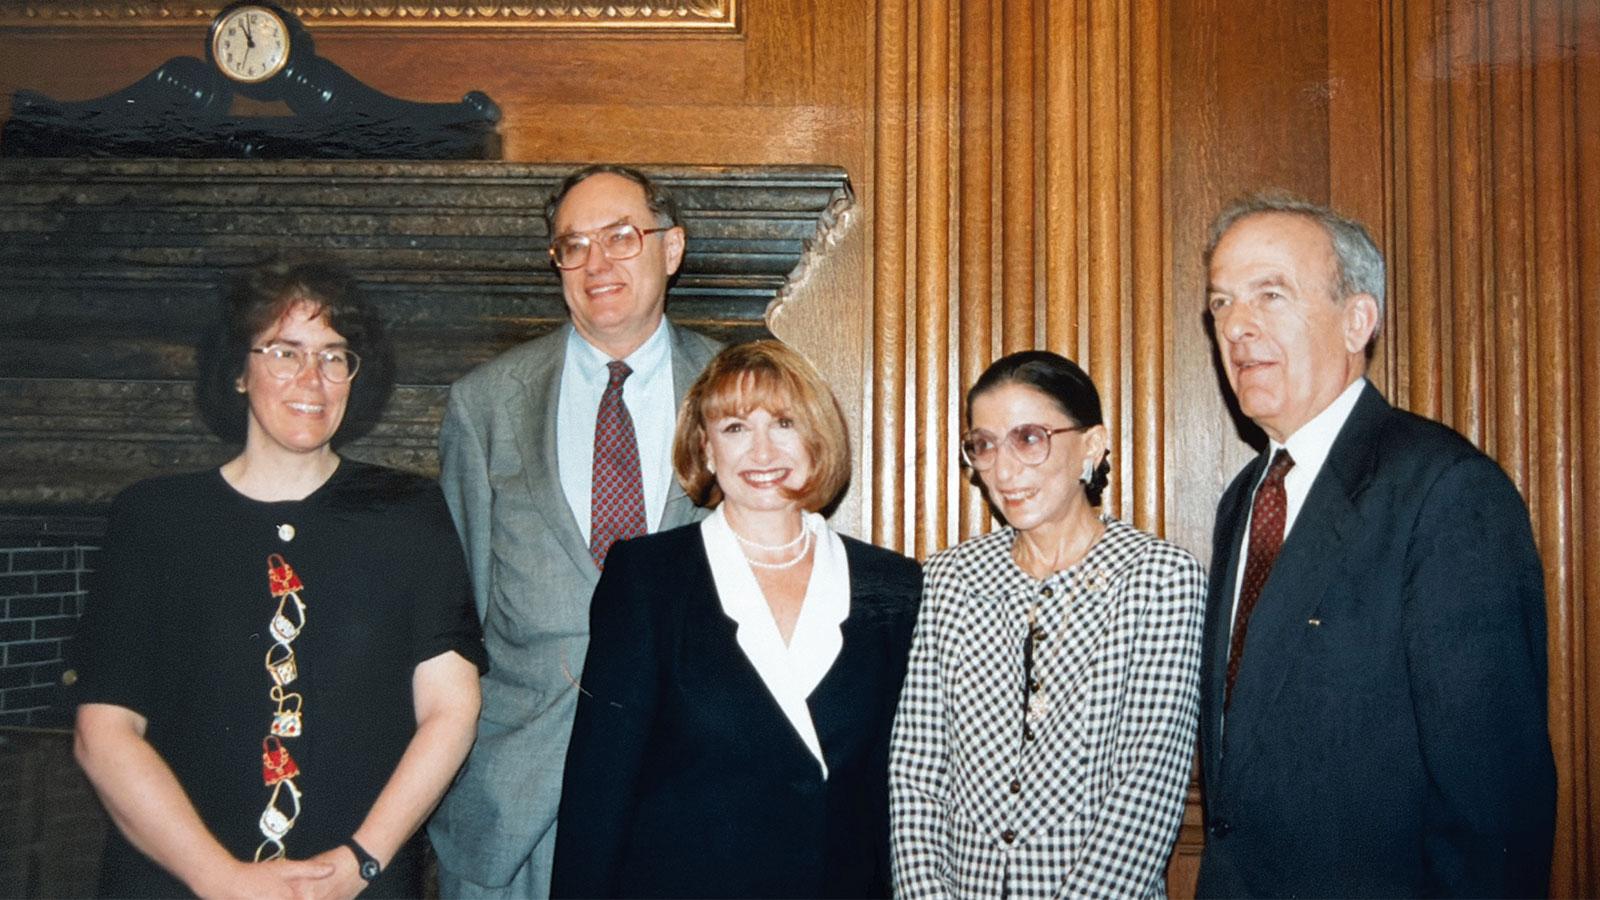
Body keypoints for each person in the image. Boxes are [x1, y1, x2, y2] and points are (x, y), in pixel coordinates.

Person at [71, 257, 487, 899]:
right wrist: (223, 881)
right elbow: (104, 733)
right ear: (238, 370)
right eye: (285, 352)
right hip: (177, 883)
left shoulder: (409, 512)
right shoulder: (155, 519)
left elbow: (450, 708)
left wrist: (358, 865)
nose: (313, 380)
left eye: (334, 356)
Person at [1196, 193, 1556, 897]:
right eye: (1220, 304)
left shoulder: (1446, 492)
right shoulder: (1245, 498)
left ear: (1358, 319)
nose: (1237, 326)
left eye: (1271, 294)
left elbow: (1494, 808)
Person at [427, 164, 724, 898]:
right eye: (573, 244)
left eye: (621, 237)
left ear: (671, 248)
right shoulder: (486, 404)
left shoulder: (737, 387)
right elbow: (454, 618)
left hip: (685, 785)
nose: (597, 262)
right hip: (520, 801)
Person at [549, 340, 922, 899]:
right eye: (735, 429)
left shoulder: (893, 584)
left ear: (817, 438)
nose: (762, 451)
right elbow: (599, 790)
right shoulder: (648, 577)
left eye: (784, 422)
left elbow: (902, 790)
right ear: (704, 449)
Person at [890, 350, 1206, 899]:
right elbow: (916, 772)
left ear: (1091, 445)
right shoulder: (949, 578)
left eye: (1029, 438)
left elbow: (1147, 790)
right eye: (983, 445)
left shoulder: (1160, 579)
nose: (1003, 470)